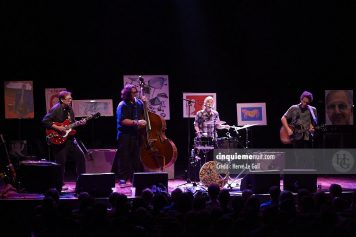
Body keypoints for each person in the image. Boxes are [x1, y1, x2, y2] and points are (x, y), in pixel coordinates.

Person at [42, 90, 86, 190]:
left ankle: (82, 182)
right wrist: (58, 128)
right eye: (68, 99)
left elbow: (72, 123)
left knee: (81, 157)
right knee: (60, 163)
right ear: (62, 100)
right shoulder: (56, 109)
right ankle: (59, 184)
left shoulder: (69, 109)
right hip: (58, 139)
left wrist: (80, 123)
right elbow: (45, 121)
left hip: (70, 139)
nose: (71, 100)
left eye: (71, 98)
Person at [111, 84, 147, 186]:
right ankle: (122, 179)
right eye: (133, 92)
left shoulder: (138, 103)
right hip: (125, 135)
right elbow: (122, 121)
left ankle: (136, 178)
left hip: (136, 134)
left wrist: (145, 103)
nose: (135, 94)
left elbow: (145, 113)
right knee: (124, 158)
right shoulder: (122, 105)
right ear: (127, 94)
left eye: (136, 92)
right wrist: (137, 122)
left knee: (136, 158)